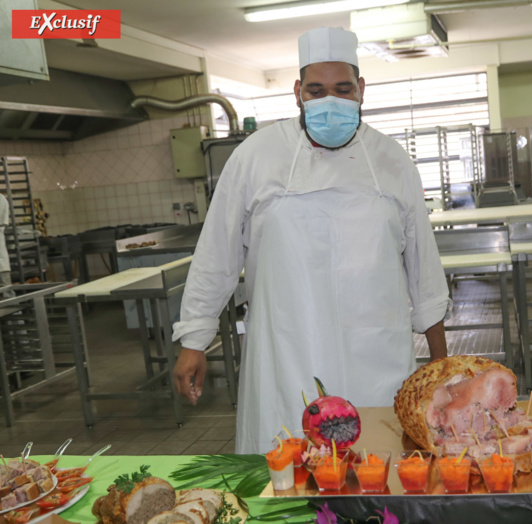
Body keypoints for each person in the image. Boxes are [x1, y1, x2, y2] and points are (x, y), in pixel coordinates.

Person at [171, 27, 451, 454]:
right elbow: (217, 253)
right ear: (298, 92)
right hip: (285, 351)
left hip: (375, 351)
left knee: (378, 472)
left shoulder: (393, 160)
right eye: (317, 90)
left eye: (342, 89)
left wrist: (441, 364)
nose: (330, 101)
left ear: (361, 90)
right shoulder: (256, 155)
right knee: (289, 478)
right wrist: (194, 338)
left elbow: (423, 266)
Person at [0, 192, 13, 299]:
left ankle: (14, 311)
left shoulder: (1, 199)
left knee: (7, 291)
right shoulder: (2, 199)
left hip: (2, 266)